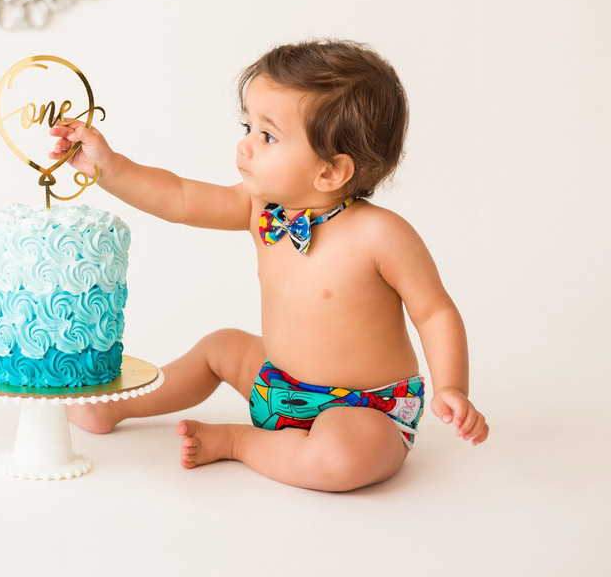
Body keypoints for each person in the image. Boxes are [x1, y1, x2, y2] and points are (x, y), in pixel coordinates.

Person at [54, 38, 488, 491]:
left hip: (363, 410)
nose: (244, 146)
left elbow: (434, 311)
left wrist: (451, 387)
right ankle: (116, 407)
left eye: (267, 136)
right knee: (220, 346)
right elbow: (178, 198)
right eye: (247, 126)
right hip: (276, 385)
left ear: (331, 172)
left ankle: (239, 443)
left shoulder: (381, 234)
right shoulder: (262, 208)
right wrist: (108, 167)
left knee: (339, 461)